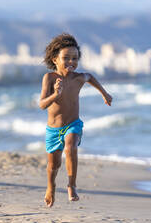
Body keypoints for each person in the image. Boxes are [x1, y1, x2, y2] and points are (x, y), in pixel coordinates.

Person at [39, 33, 112, 207]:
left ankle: (72, 185)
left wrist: (105, 93)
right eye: (66, 58)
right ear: (55, 59)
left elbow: (90, 77)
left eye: (75, 58)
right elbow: (42, 104)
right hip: (53, 130)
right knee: (53, 165)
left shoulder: (78, 78)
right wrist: (56, 95)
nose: (71, 61)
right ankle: (51, 186)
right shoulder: (49, 78)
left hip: (73, 124)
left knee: (71, 146)